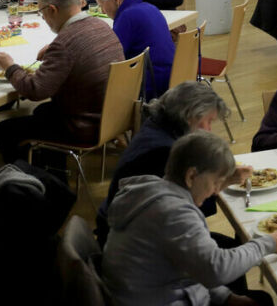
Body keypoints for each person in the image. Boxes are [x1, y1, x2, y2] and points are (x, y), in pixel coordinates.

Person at [103, 132, 277, 306]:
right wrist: (266, 244)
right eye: (215, 181)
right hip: (159, 300)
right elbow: (215, 268)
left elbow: (191, 264)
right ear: (191, 176)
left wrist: (224, 296)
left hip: (150, 293)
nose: (217, 190)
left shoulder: (155, 191)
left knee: (259, 299)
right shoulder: (174, 213)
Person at [0, 0, 125, 165]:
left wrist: (9, 67)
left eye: (42, 13)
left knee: (3, 130)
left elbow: (35, 91)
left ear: (52, 9)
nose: (43, 18)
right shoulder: (100, 25)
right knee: (42, 112)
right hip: (112, 118)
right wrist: (55, 48)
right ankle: (53, 171)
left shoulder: (64, 43)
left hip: (84, 126)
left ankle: (28, 182)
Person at [96, 82, 230, 245]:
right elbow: (193, 205)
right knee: (232, 252)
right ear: (190, 116)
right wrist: (221, 180)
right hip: (131, 241)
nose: (209, 130)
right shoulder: (165, 151)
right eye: (208, 121)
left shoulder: (157, 125)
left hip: (126, 226)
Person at [92, 0, 175, 99]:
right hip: (171, 78)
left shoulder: (127, 17)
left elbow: (112, 59)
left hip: (151, 86)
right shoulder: (150, 7)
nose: (103, 11)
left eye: (102, 4)